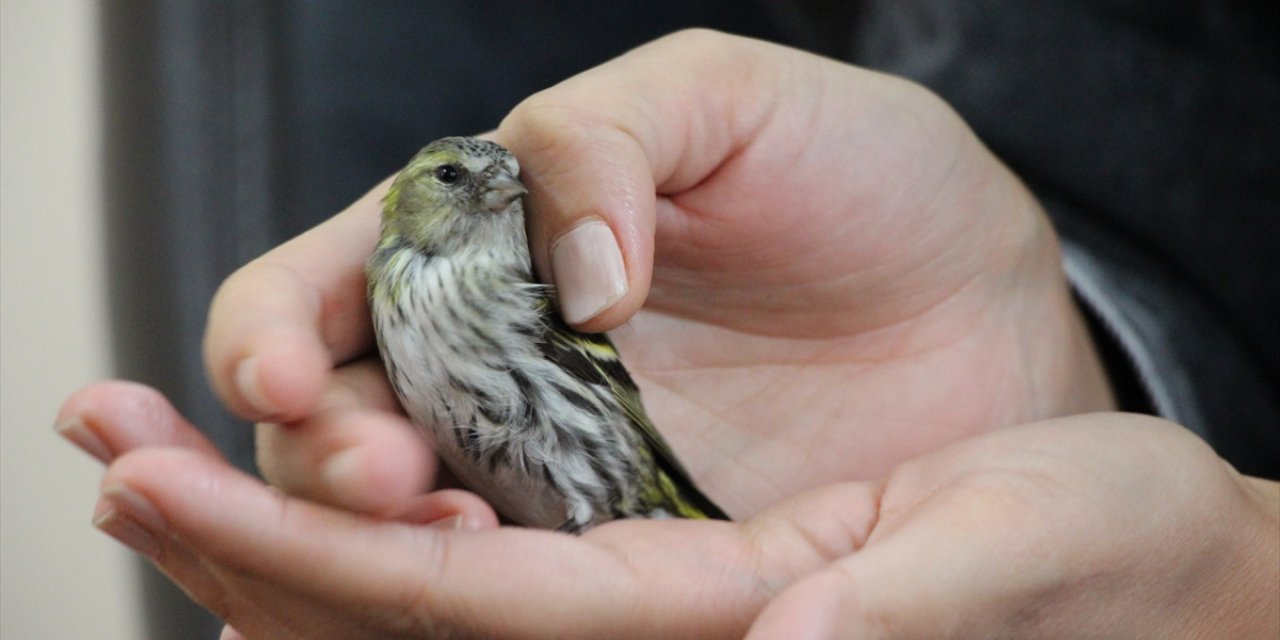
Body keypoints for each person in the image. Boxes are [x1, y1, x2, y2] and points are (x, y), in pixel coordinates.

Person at [58, 28, 1277, 639]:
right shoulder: (392, 281)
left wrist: (1244, 566)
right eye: (459, 180)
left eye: (505, 183)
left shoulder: (503, 278)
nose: (496, 190)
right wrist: (1092, 339)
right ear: (406, 207)